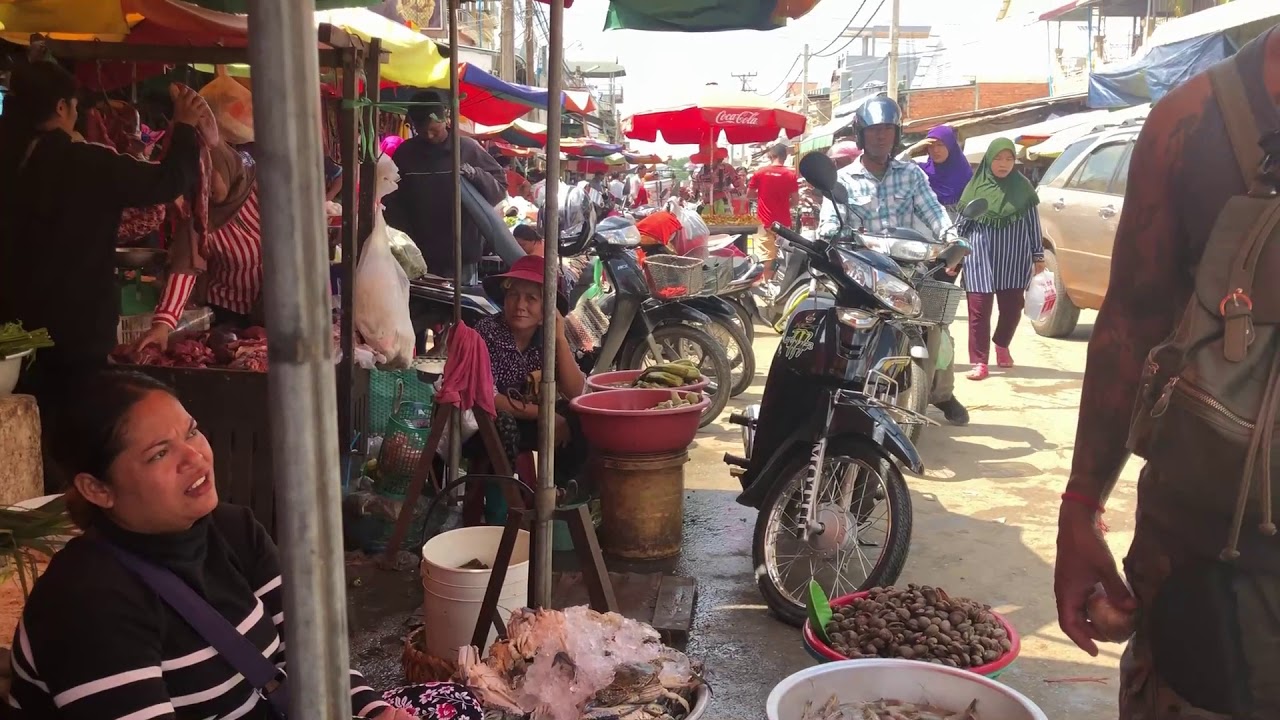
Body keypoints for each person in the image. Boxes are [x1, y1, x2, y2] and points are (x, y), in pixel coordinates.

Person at [10, 370, 475, 720]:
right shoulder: (85, 603)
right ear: (97, 489)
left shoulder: (235, 531)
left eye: (191, 431)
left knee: (459, 700)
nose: (194, 457)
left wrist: (373, 712)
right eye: (158, 453)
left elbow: (308, 652)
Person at [1055, 28, 1280, 720]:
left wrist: (1082, 511)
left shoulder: (1194, 119)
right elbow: (1129, 327)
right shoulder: (1194, 123)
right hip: (1207, 576)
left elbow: (1132, 325)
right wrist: (1078, 509)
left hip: (1207, 552)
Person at [0, 62, 205, 492]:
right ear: (60, 107)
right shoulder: (83, 162)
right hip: (76, 333)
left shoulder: (10, 163)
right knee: (72, 440)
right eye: (73, 107)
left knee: (24, 431)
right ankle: (71, 511)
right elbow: (168, 181)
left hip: (13, 333)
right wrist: (184, 128)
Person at [819, 95, 969, 426]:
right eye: (874, 130)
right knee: (835, 323)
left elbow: (932, 209)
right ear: (861, 135)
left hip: (906, 271)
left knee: (935, 327)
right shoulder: (843, 179)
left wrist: (952, 237)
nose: (881, 136)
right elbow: (830, 218)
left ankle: (940, 393)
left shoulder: (911, 175)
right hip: (860, 272)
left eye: (887, 129)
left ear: (896, 133)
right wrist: (830, 233)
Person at [473, 256, 588, 505]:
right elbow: (486, 397)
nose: (520, 305)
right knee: (504, 425)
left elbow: (577, 392)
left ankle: (563, 493)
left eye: (531, 298)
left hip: (534, 422)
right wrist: (544, 414)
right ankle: (509, 506)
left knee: (582, 417)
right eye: (513, 295)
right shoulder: (487, 332)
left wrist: (558, 339)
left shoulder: (548, 336)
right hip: (490, 424)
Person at [383, 88, 506, 276]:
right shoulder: (405, 154)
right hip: (417, 255)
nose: (430, 136)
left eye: (434, 130)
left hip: (461, 256)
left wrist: (475, 174)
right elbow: (392, 200)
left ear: (445, 120)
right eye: (423, 132)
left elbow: (500, 190)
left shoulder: (467, 149)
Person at [954, 139, 1044, 381]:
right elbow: (962, 226)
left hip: (1015, 258)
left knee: (1013, 309)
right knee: (979, 311)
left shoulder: (1023, 188)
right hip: (980, 257)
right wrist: (954, 255)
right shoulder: (974, 188)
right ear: (988, 160)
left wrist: (1038, 257)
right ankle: (979, 362)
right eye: (998, 158)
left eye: (1009, 159)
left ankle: (1002, 344)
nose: (1003, 164)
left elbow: (1033, 225)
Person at [747, 143, 800, 284]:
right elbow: (795, 201)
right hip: (784, 223)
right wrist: (782, 204)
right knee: (784, 255)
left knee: (766, 257)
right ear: (786, 155)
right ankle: (781, 283)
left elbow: (749, 195)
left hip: (764, 222)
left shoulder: (760, 172)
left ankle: (766, 283)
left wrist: (764, 196)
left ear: (770, 155)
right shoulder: (791, 174)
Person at [903, 125, 973, 215]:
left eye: (940, 145)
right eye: (931, 146)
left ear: (950, 146)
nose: (935, 150)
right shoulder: (921, 171)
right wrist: (911, 150)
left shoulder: (964, 174)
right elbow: (893, 168)